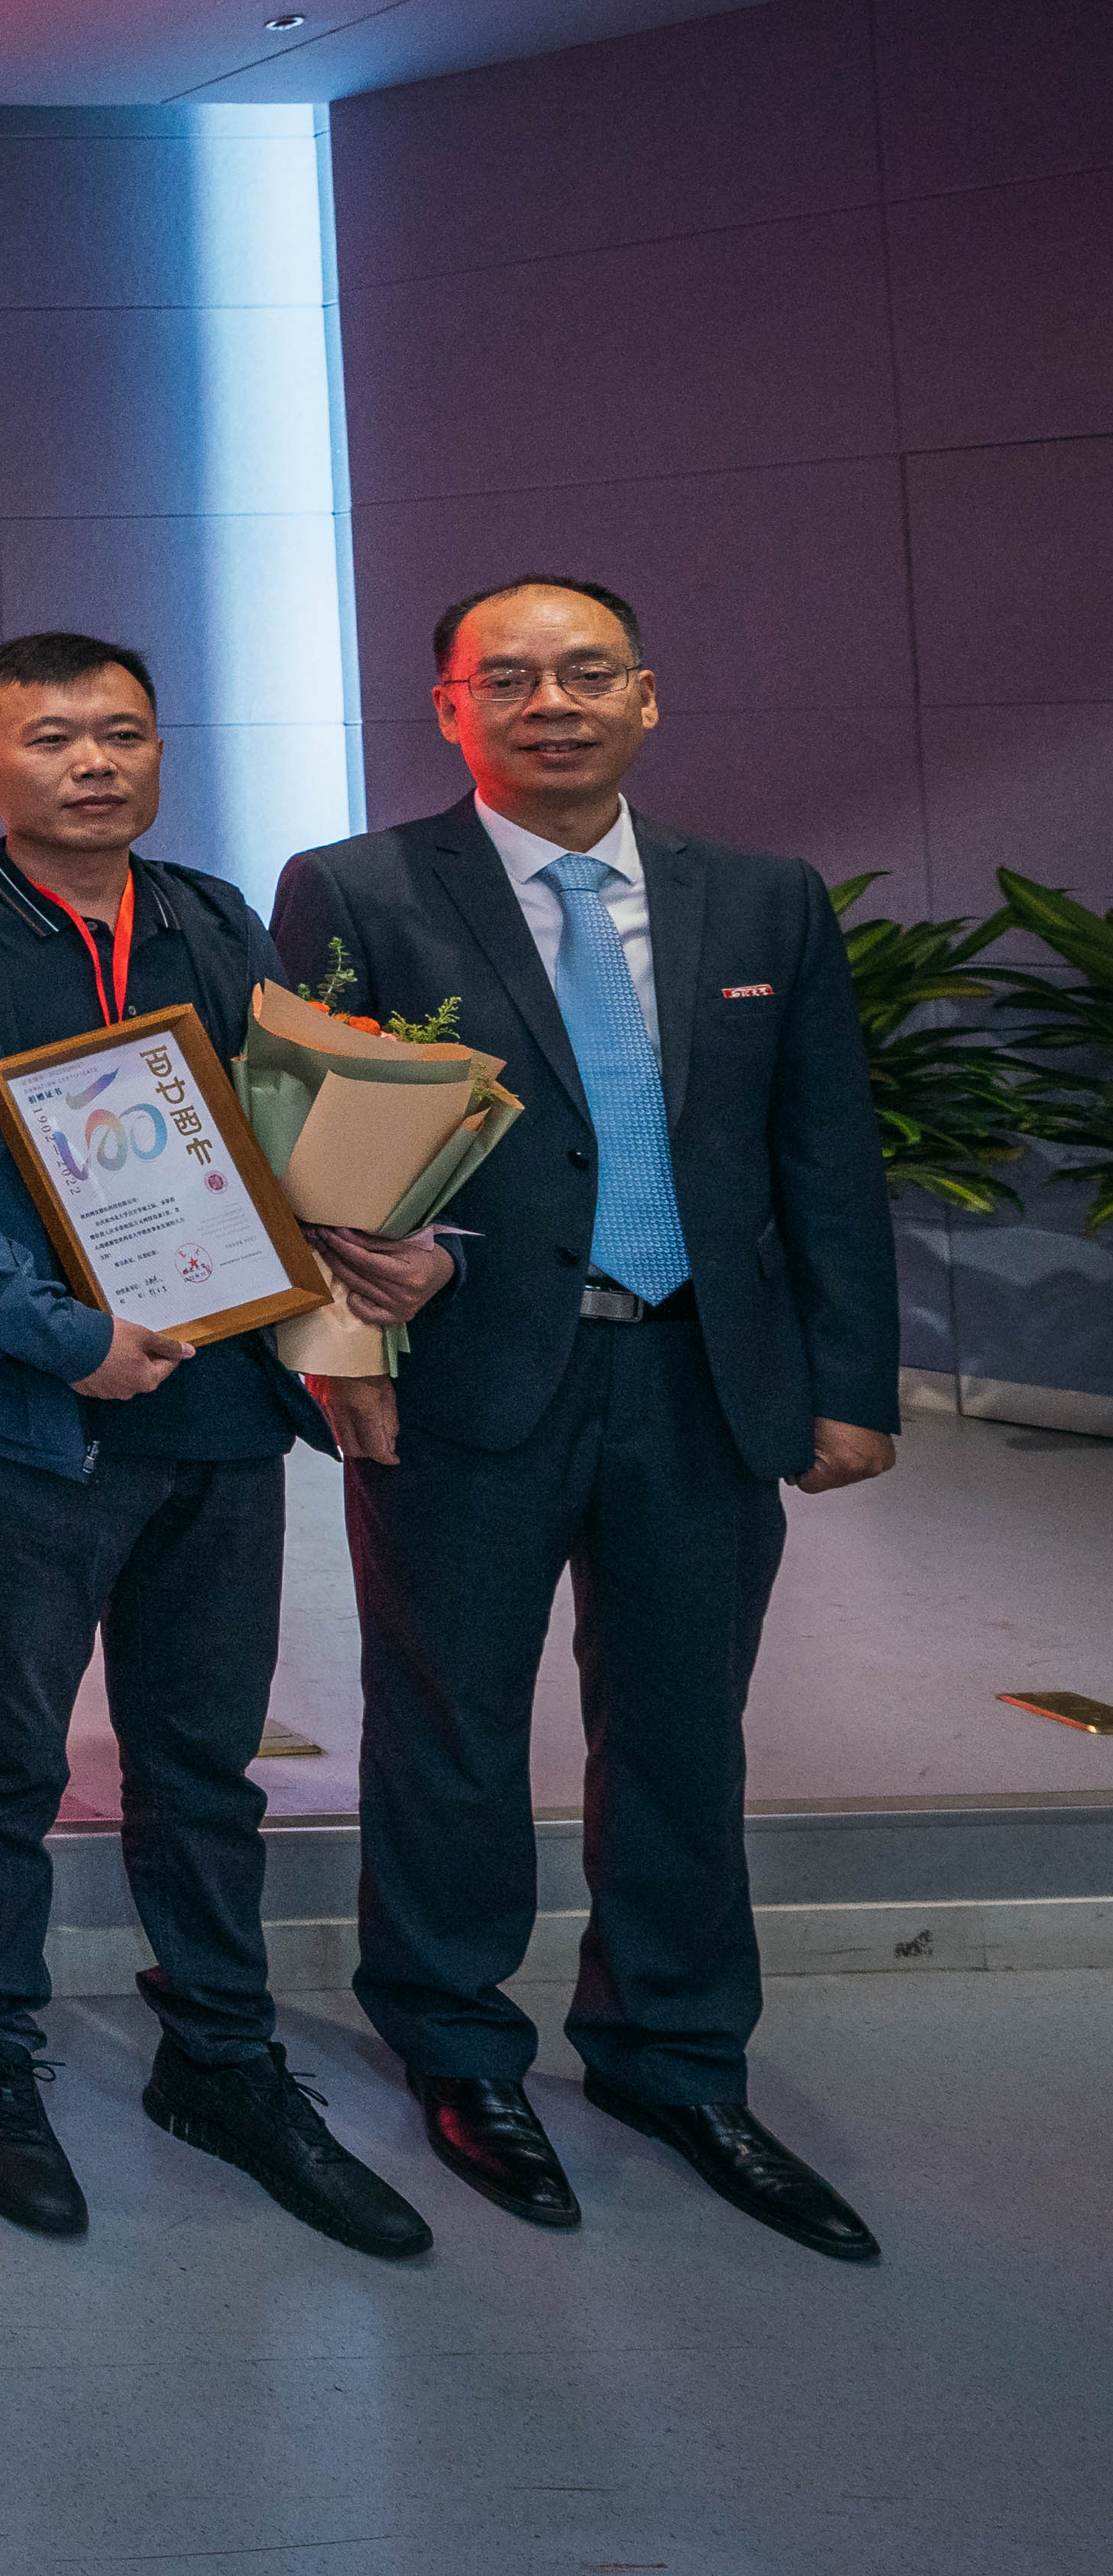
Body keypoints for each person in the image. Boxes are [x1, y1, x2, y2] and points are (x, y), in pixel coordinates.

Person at [268, 575, 899, 2264]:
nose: (549, 702)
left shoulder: (757, 900)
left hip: (699, 1379)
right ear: (447, 708)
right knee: (448, 1727)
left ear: (643, 695)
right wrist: (340, 1354)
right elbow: (304, 1153)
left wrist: (848, 1384)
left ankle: (671, 2054)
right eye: (507, 678)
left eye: (585, 672)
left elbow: (823, 1152)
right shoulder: (355, 888)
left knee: (683, 1733)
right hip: (465, 1380)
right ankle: (456, 2047)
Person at [0, 636, 429, 2262]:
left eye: (121, 731)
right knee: (5, 1752)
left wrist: (377, 1230)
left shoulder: (210, 917)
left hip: (219, 1405)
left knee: (200, 1757)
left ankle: (219, 2055)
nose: (93, 762)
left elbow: (278, 1131)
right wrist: (66, 1340)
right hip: (32, 1414)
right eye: (49, 737)